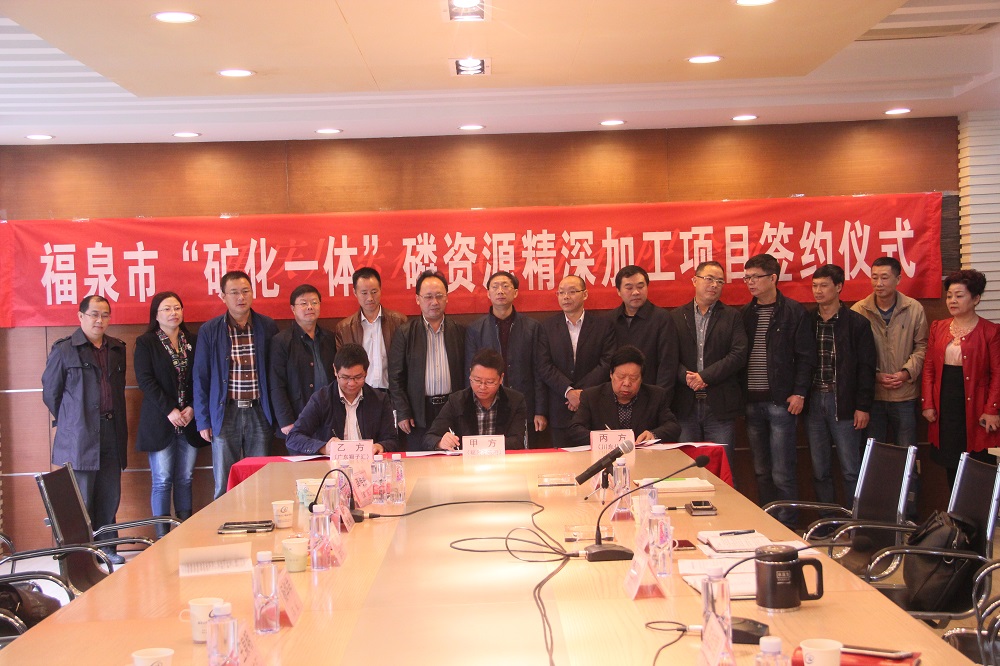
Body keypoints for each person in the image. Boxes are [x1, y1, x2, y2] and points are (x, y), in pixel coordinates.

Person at [41, 295, 128, 564]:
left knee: (109, 493)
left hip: (111, 429)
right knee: (81, 496)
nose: (99, 320)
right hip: (80, 434)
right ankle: (80, 554)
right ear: (80, 316)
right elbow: (51, 393)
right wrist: (72, 421)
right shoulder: (64, 350)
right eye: (94, 314)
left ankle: (108, 548)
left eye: (105, 314)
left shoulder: (116, 349)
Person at [741, 253, 816, 526]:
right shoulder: (745, 314)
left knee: (783, 471)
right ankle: (768, 523)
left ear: (773, 278)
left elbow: (806, 357)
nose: (750, 282)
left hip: (782, 402)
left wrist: (800, 392)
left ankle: (788, 525)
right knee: (761, 471)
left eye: (755, 277)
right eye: (747, 277)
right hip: (752, 403)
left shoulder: (793, 312)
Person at [193, 270, 279, 498]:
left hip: (259, 411)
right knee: (224, 482)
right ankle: (225, 520)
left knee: (260, 480)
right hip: (225, 413)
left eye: (245, 291)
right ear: (223, 296)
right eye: (234, 292)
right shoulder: (210, 330)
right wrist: (203, 420)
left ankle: (259, 520)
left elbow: (276, 373)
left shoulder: (267, 326)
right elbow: (200, 377)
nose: (241, 297)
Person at [806, 265, 877, 507]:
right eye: (815, 286)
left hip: (844, 401)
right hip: (814, 401)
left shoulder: (857, 323)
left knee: (850, 469)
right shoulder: (807, 321)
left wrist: (863, 406)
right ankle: (827, 520)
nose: (818, 291)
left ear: (838, 287)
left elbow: (866, 368)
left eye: (824, 285)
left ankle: (854, 521)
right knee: (819, 469)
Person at [921, 269, 1000, 487]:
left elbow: (997, 373)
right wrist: (928, 403)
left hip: (977, 404)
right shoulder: (938, 327)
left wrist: (992, 409)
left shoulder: (990, 331)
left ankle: (977, 509)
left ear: (976, 299)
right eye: (949, 296)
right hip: (946, 402)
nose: (952, 301)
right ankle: (954, 508)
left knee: (978, 463)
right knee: (951, 460)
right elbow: (929, 368)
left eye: (959, 295)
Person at [134, 291, 204, 538]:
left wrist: (193, 407)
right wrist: (170, 410)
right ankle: (162, 537)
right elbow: (145, 381)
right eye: (166, 309)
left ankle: (183, 533)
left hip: (189, 420)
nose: (173, 313)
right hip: (161, 421)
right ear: (156, 314)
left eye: (177, 308)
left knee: (185, 478)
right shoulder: (146, 342)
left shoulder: (194, 340)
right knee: (162, 479)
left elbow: (202, 377)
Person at [669, 261, 747, 469]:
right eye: (709, 279)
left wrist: (705, 377)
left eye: (720, 281)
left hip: (719, 406)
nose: (714, 285)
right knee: (686, 468)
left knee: (723, 467)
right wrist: (686, 377)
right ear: (695, 281)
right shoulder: (676, 316)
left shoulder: (732, 316)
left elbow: (738, 354)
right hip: (685, 405)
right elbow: (668, 356)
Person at [851, 256, 928, 448]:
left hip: (904, 394)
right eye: (874, 277)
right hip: (873, 395)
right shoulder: (859, 310)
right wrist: (874, 375)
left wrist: (906, 373)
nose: (878, 283)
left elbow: (922, 346)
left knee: (906, 451)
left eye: (884, 277)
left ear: (898, 279)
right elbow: (852, 353)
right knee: (874, 453)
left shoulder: (914, 308)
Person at [464, 270, 547, 448]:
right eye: (495, 287)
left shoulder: (532, 327)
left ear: (515, 292)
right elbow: (470, 373)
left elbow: (539, 371)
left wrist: (540, 411)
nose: (500, 291)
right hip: (488, 406)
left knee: (521, 454)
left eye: (505, 286)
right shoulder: (475, 329)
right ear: (488, 293)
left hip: (523, 403)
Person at [388, 270, 465, 450]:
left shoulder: (460, 331)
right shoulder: (405, 333)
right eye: (428, 296)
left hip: (451, 408)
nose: (434, 302)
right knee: (420, 459)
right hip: (418, 412)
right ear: (418, 299)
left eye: (439, 296)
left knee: (451, 458)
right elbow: (395, 378)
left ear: (447, 297)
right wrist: (403, 411)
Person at [538, 275, 616, 447]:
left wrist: (582, 394)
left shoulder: (603, 325)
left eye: (572, 291)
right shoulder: (546, 327)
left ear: (585, 294)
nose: (566, 297)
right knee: (562, 459)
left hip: (594, 404)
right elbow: (544, 365)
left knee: (596, 456)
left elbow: (607, 362)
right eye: (561, 292)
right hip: (561, 405)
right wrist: (569, 392)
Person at [286, 344, 398, 455]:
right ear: (335, 370)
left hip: (368, 463)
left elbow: (392, 439)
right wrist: (324, 448)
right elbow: (293, 437)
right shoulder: (321, 399)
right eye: (345, 377)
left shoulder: (380, 400)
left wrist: (380, 446)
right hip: (332, 464)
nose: (351, 383)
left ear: (366, 371)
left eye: (358, 377)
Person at [568, 345, 680, 447]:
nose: (626, 383)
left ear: (641, 378)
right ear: (611, 374)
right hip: (604, 457)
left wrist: (653, 434)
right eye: (621, 377)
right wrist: (600, 438)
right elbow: (575, 429)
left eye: (633, 378)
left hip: (644, 458)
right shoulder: (591, 396)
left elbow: (673, 426)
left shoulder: (656, 395)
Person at [425, 349, 528, 451]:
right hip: (465, 461)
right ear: (470, 374)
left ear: (501, 378)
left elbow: (517, 441)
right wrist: (441, 442)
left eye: (490, 382)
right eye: (477, 380)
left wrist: (481, 445)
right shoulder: (456, 401)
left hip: (502, 460)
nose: (482, 387)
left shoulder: (515, 400)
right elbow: (429, 438)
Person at [269, 284, 337, 436]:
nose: (310, 307)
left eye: (314, 302)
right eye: (303, 303)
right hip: (298, 416)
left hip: (329, 415)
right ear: (293, 309)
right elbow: (276, 384)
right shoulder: (281, 341)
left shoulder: (330, 338)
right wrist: (285, 420)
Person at [609, 265, 677, 401]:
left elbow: (668, 364)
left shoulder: (662, 318)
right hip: (615, 398)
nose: (636, 292)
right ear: (618, 291)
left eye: (640, 286)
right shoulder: (610, 320)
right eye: (629, 288)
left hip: (651, 396)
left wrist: (659, 399)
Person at [334, 267, 407, 393]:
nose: (370, 298)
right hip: (360, 393)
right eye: (364, 293)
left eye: (374, 292)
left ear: (380, 290)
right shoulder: (344, 328)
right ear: (355, 292)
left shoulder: (399, 322)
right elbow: (342, 367)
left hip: (392, 393)